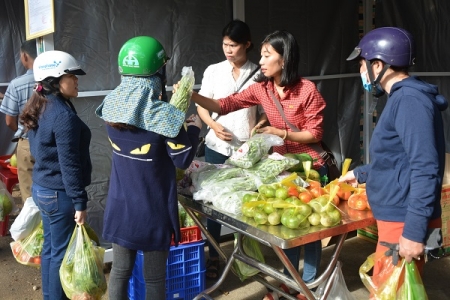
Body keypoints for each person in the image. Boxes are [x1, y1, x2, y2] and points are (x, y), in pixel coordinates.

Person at [185, 29, 327, 300]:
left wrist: (281, 133)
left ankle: (308, 284)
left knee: (310, 230)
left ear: (284, 59)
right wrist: (192, 96)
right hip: (283, 170)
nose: (260, 61)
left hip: (309, 167)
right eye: (261, 55)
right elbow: (224, 104)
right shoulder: (262, 89)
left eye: (266, 55)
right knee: (288, 226)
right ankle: (289, 279)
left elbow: (315, 133)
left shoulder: (307, 89)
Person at [95, 36, 202, 300]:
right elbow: (182, 160)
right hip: (152, 211)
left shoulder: (111, 108)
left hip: (120, 207)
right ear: (158, 74)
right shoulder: (165, 118)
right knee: (154, 279)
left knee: (120, 271)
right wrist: (194, 128)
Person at [340, 27, 447, 278]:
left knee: (388, 290)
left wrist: (413, 232)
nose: (360, 72)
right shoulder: (405, 97)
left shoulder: (409, 101)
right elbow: (401, 157)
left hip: (405, 218)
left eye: (361, 64)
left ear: (377, 65)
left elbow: (425, 167)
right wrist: (362, 172)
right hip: (406, 213)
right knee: (400, 288)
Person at [197, 19, 268, 280]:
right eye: (225, 45)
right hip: (217, 146)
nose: (228, 50)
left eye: (234, 45)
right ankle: (213, 256)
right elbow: (202, 106)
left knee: (245, 203)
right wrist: (213, 125)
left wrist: (259, 127)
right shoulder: (213, 71)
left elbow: (265, 112)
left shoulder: (259, 72)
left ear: (247, 45)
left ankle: (247, 256)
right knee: (213, 204)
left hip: (246, 151)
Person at [19, 50, 91, 300]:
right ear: (54, 80)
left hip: (44, 189)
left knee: (51, 251)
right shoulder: (61, 115)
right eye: (72, 75)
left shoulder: (44, 105)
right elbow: (69, 164)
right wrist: (80, 201)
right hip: (59, 195)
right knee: (59, 254)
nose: (77, 80)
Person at [0, 40, 37, 202]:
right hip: (53, 143)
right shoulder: (56, 81)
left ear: (24, 56)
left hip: (28, 143)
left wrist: (22, 129)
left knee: (28, 194)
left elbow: (9, 121)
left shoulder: (17, 84)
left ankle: (36, 226)